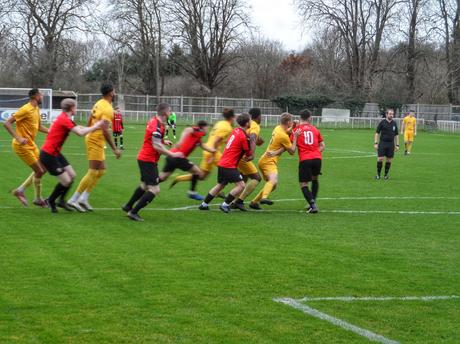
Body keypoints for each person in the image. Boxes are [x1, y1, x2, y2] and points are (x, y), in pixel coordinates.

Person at [39, 99, 105, 213]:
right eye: (75, 107)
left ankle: (61, 201)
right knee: (66, 181)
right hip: (48, 154)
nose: (76, 109)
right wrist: (96, 126)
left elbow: (79, 128)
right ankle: (51, 200)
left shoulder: (64, 117)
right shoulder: (64, 119)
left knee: (72, 175)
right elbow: (80, 133)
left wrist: (96, 126)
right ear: (71, 108)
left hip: (55, 153)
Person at [122, 103, 184, 222]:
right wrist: (172, 154)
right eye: (170, 111)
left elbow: (155, 140)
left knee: (145, 185)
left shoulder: (157, 122)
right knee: (155, 190)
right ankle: (133, 212)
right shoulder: (156, 125)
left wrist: (163, 141)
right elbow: (156, 146)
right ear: (165, 113)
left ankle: (128, 206)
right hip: (147, 160)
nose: (170, 113)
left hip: (147, 159)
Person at [67, 84, 122, 211]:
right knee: (93, 171)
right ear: (111, 93)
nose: (115, 92)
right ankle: (73, 199)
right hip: (96, 140)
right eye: (114, 91)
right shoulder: (107, 108)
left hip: (94, 137)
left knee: (101, 171)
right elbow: (105, 131)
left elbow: (91, 117)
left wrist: (87, 130)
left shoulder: (100, 103)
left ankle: (84, 198)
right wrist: (114, 149)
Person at [170, 108, 236, 199]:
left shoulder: (219, 123)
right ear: (232, 117)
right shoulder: (227, 127)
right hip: (213, 152)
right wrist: (213, 156)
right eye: (234, 117)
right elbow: (216, 141)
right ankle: (219, 192)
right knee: (231, 172)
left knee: (201, 176)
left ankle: (179, 178)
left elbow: (217, 138)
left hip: (207, 150)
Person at [3, 88, 49, 207]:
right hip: (21, 146)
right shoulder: (25, 109)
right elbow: (7, 123)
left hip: (31, 144)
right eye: (41, 94)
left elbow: (39, 127)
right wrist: (18, 138)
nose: (42, 96)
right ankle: (37, 198)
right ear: (35, 96)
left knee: (43, 168)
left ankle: (21, 191)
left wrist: (52, 131)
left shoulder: (36, 109)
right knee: (39, 170)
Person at [199, 113, 252, 213]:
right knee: (241, 186)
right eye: (250, 121)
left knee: (220, 185)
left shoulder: (235, 130)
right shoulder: (243, 137)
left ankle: (204, 204)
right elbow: (249, 154)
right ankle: (225, 204)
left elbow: (229, 142)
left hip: (222, 162)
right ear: (247, 123)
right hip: (229, 165)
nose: (251, 122)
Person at [249, 113, 298, 210]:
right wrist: (296, 136)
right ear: (288, 122)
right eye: (291, 121)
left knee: (273, 185)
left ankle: (254, 202)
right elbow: (292, 151)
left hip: (264, 159)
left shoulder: (278, 128)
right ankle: (264, 198)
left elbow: (286, 133)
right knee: (273, 180)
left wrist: (293, 126)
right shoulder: (283, 136)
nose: (292, 122)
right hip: (269, 161)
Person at [159, 120, 216, 199]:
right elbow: (187, 129)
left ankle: (149, 183)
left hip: (171, 156)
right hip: (179, 157)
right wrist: (180, 141)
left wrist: (213, 151)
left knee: (162, 177)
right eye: (207, 127)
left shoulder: (198, 137)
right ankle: (192, 192)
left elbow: (203, 146)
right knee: (197, 172)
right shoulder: (197, 130)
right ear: (203, 127)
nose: (208, 129)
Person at [231, 108, 264, 211]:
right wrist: (252, 154)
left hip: (236, 154)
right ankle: (239, 201)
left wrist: (258, 140)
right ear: (258, 116)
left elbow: (250, 137)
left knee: (244, 178)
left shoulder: (250, 124)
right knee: (257, 177)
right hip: (242, 156)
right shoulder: (255, 126)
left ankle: (233, 202)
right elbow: (253, 137)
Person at [294, 109, 325, 214]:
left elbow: (291, 146)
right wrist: (315, 152)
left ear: (300, 118)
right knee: (315, 179)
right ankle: (313, 201)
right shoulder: (315, 129)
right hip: (317, 158)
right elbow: (322, 146)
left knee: (303, 184)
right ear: (309, 118)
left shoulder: (297, 130)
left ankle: (312, 205)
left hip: (305, 159)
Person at [374, 109, 400, 180]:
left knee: (389, 160)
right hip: (382, 143)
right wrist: (375, 143)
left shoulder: (394, 123)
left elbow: (396, 135)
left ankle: (385, 175)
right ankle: (378, 175)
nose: (391, 115)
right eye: (390, 114)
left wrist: (397, 145)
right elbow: (377, 133)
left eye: (392, 114)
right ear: (386, 114)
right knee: (380, 158)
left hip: (391, 144)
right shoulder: (382, 122)